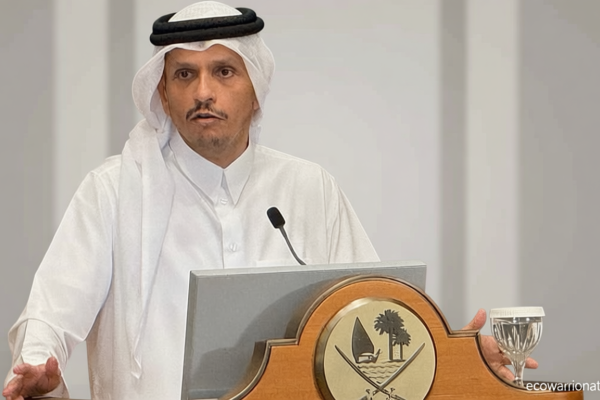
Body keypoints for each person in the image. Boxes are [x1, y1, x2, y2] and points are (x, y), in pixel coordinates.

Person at [2, 2, 536, 399]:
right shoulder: (113, 190)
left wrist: (457, 358)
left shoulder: (309, 188)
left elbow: (376, 311)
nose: (203, 91)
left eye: (223, 71)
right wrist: (37, 367)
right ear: (163, 92)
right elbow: (48, 316)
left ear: (255, 87)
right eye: (184, 74)